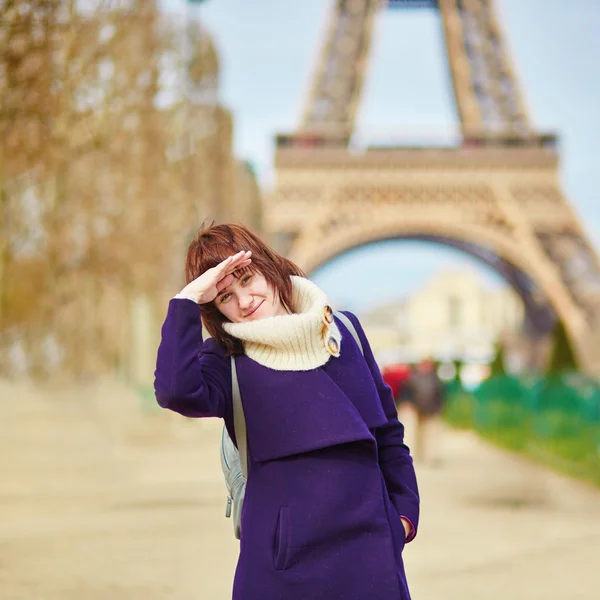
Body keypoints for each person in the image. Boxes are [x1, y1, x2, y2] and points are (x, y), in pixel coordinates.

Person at [154, 223, 420, 600]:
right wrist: (188, 299)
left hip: (370, 557)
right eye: (226, 295)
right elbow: (174, 390)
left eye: (247, 279)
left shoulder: (345, 331)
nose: (244, 300)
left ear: (269, 264)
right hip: (282, 570)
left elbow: (389, 434)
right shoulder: (225, 361)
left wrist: (403, 517)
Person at [406, 358, 445, 464]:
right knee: (415, 434)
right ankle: (415, 455)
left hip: (431, 409)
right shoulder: (412, 377)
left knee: (431, 434)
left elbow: (440, 394)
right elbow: (407, 393)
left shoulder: (435, 379)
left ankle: (431, 456)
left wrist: (438, 408)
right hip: (416, 409)